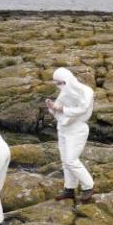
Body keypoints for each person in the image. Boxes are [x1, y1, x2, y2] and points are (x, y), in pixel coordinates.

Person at [45, 67, 95, 204]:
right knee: (65, 161)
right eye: (57, 84)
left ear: (68, 80)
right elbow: (58, 113)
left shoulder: (86, 91)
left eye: (60, 83)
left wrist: (60, 108)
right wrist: (52, 107)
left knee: (71, 160)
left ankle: (88, 186)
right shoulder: (65, 94)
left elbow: (82, 109)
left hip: (78, 129)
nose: (59, 86)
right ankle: (69, 188)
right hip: (63, 129)